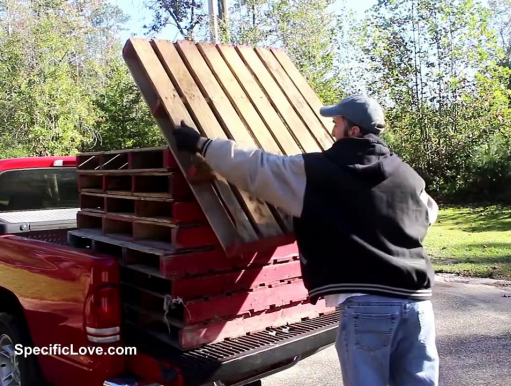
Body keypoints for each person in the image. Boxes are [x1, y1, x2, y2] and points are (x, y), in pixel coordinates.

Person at [172, 94, 439, 386]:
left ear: (353, 131)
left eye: (337, 124)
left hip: (368, 307)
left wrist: (202, 145)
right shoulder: (408, 176)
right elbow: (428, 213)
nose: (332, 131)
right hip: (418, 305)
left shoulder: (318, 172)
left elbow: (256, 167)